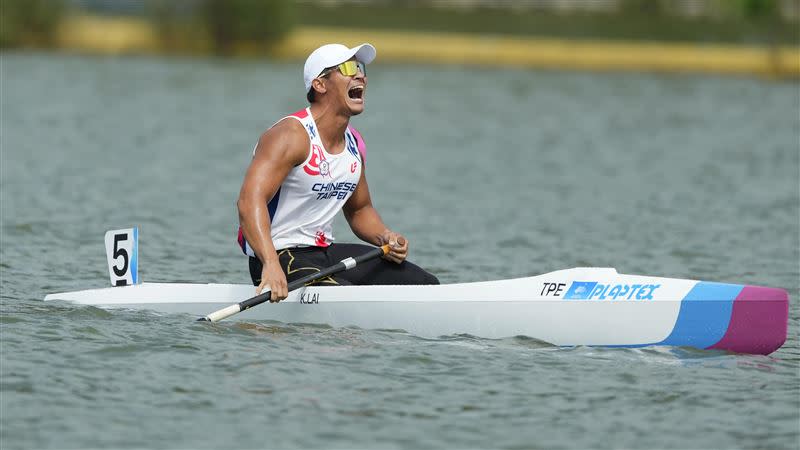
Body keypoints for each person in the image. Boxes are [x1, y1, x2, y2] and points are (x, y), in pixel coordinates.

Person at [236, 43, 439, 301]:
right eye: (348, 68)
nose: (360, 76)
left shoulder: (354, 143)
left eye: (361, 68)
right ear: (320, 84)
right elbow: (249, 201)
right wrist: (270, 262)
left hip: (324, 252)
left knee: (425, 284)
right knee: (345, 295)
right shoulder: (290, 136)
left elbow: (360, 210)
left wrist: (385, 237)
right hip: (279, 255)